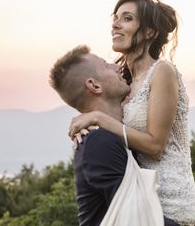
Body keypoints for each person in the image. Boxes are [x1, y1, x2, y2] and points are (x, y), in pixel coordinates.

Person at [69, 0, 195, 226]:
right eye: (115, 18)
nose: (116, 24)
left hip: (172, 205)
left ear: (150, 32)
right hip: (138, 202)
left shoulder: (162, 72)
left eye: (127, 18)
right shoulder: (124, 83)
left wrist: (98, 118)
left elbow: (154, 145)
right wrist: (86, 126)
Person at [49, 45, 177, 226]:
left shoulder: (113, 136)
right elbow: (137, 217)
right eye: (106, 65)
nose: (117, 67)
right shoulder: (99, 141)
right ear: (94, 85)